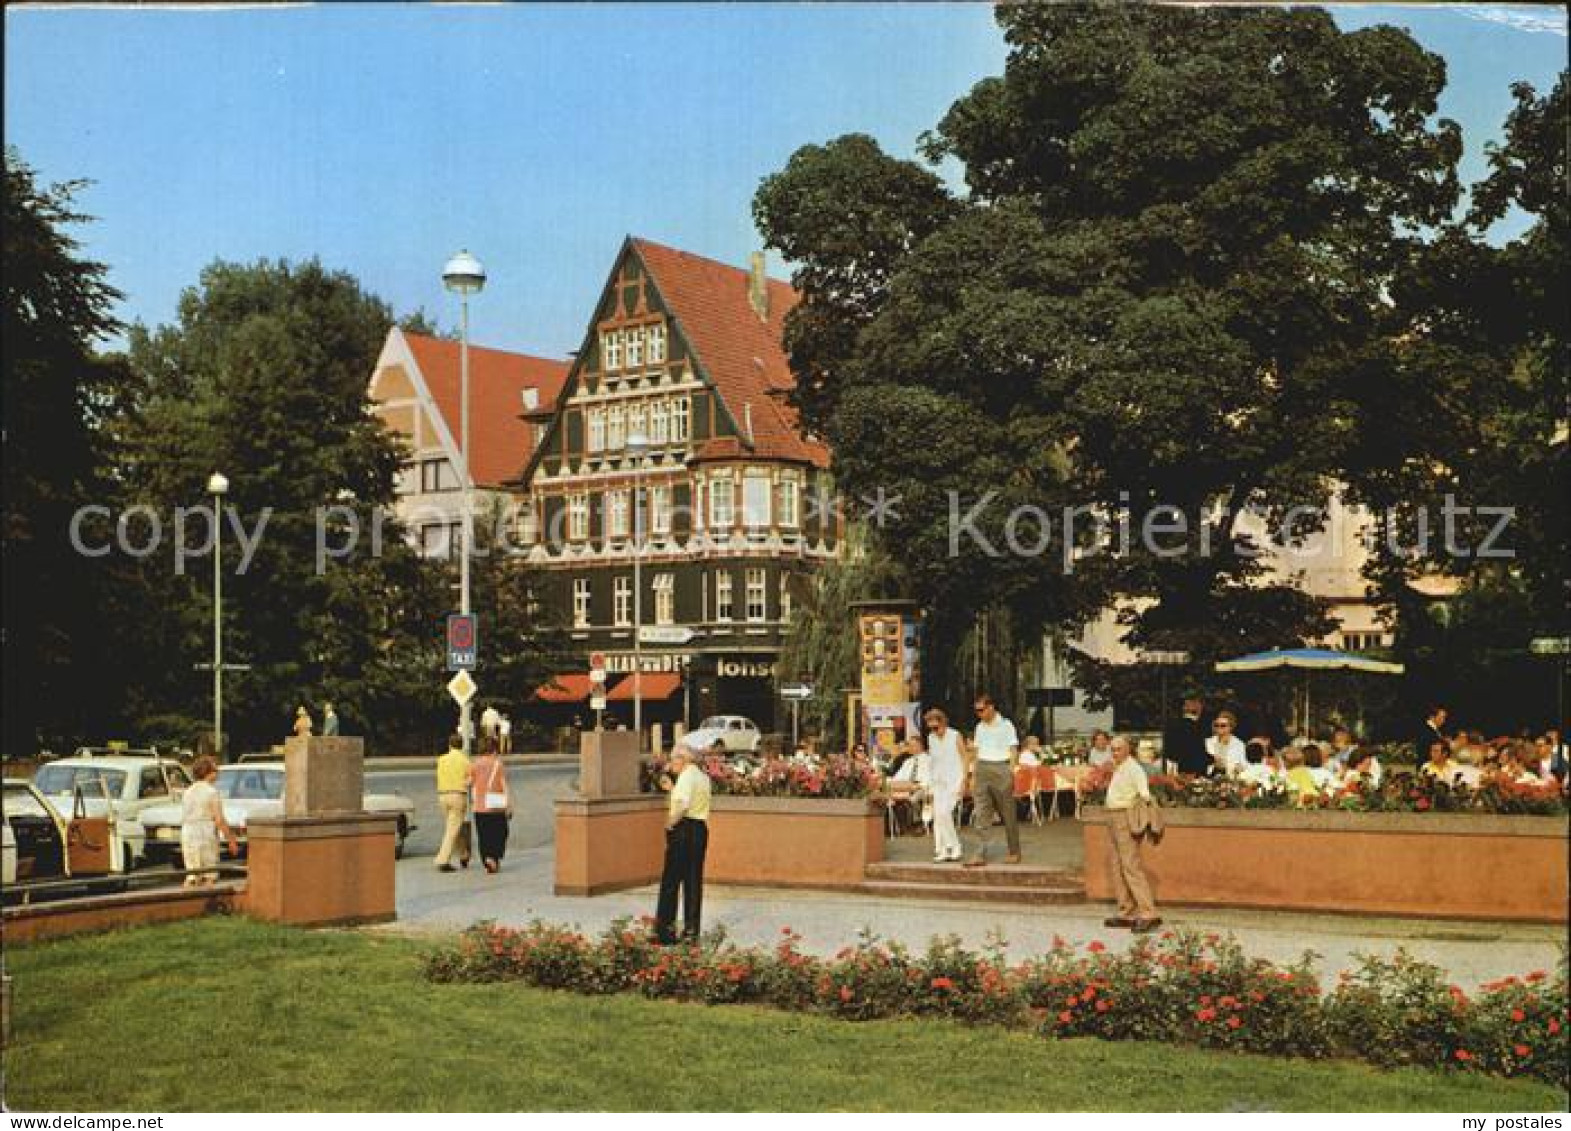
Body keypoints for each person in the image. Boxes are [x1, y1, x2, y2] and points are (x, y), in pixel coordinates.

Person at [1103, 736, 1161, 933]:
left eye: (1118, 749)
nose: (1114, 753)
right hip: (1113, 816)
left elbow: (1145, 795)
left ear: (1128, 749)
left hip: (1125, 817)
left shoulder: (1134, 769)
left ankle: (1148, 912)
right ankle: (1125, 910)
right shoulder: (1120, 767)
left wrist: (1147, 820)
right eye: (1112, 749)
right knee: (1117, 865)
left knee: (1130, 865)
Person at [654, 742, 711, 944]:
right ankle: (690, 933)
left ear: (683, 760)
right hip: (699, 830)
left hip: (683, 830)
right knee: (693, 881)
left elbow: (683, 806)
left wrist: (670, 824)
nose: (671, 764)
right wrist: (672, 789)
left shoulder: (686, 776)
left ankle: (664, 932)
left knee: (670, 881)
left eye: (673, 759)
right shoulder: (703, 777)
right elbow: (686, 799)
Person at [965, 693, 1021, 867]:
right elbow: (976, 751)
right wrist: (972, 774)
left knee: (1007, 812)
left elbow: (1013, 749)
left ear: (991, 707)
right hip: (982, 767)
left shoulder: (1006, 725)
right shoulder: (979, 727)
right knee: (981, 811)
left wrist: (1011, 770)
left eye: (981, 710)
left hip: (1001, 767)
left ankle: (1014, 851)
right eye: (976, 711)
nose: (979, 714)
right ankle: (980, 853)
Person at [181, 755, 239, 887]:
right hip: (205, 832)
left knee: (192, 873)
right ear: (208, 772)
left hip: (188, 832)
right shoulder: (211, 792)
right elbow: (219, 819)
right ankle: (207, 902)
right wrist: (231, 840)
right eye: (215, 770)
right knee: (209, 874)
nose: (217, 773)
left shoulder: (188, 791)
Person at [924, 708, 965, 863]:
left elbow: (965, 757)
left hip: (954, 779)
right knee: (938, 816)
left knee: (945, 813)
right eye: (931, 728)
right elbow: (933, 762)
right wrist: (929, 782)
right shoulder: (931, 738)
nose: (934, 731)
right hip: (938, 781)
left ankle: (955, 846)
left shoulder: (955, 735)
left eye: (936, 727)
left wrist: (964, 781)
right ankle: (942, 849)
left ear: (943, 722)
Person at [470, 735, 512, 874]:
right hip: (496, 805)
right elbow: (504, 784)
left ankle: (488, 858)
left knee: (484, 835)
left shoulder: (475, 763)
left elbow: (469, 782)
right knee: (501, 833)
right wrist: (508, 804)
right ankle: (494, 858)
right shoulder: (497, 764)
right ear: (494, 748)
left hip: (479, 806)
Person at [433, 732, 472, 872]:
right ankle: (442, 860)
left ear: (449, 745)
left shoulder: (441, 760)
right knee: (452, 829)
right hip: (458, 795)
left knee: (454, 827)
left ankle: (464, 854)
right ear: (461, 746)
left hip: (442, 795)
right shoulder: (465, 761)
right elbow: (470, 780)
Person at [1164, 695, 1209, 776]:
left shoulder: (1172, 725)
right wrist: (1212, 760)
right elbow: (1198, 753)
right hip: (1190, 773)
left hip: (1174, 770)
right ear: (1199, 707)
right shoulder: (1196, 728)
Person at [1205, 711, 1248, 777]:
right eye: (1216, 725)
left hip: (1231, 779)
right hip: (1210, 777)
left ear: (1230, 727)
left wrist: (1236, 768)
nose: (1219, 728)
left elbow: (1244, 765)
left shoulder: (1239, 744)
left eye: (1223, 725)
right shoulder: (1208, 742)